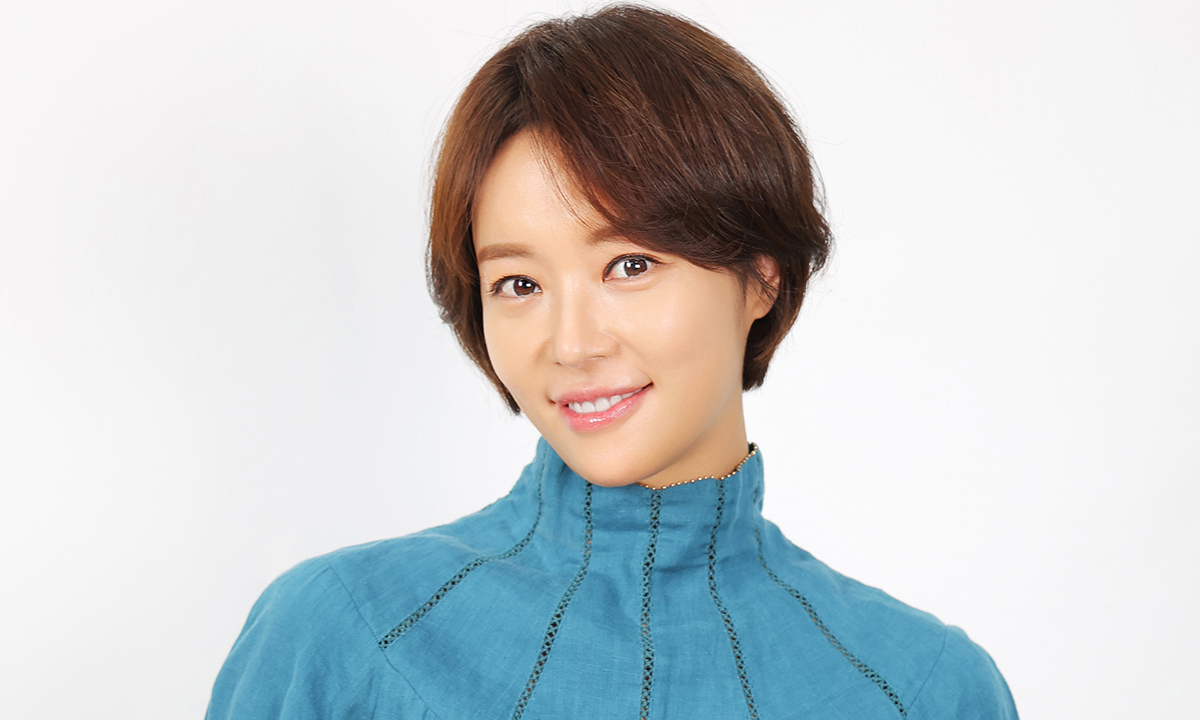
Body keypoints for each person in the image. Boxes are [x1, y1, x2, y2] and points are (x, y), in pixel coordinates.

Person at [207, 5, 1018, 718]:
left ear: (761, 276)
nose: (572, 344)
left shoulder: (926, 691)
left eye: (630, 265)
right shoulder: (337, 638)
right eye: (519, 284)